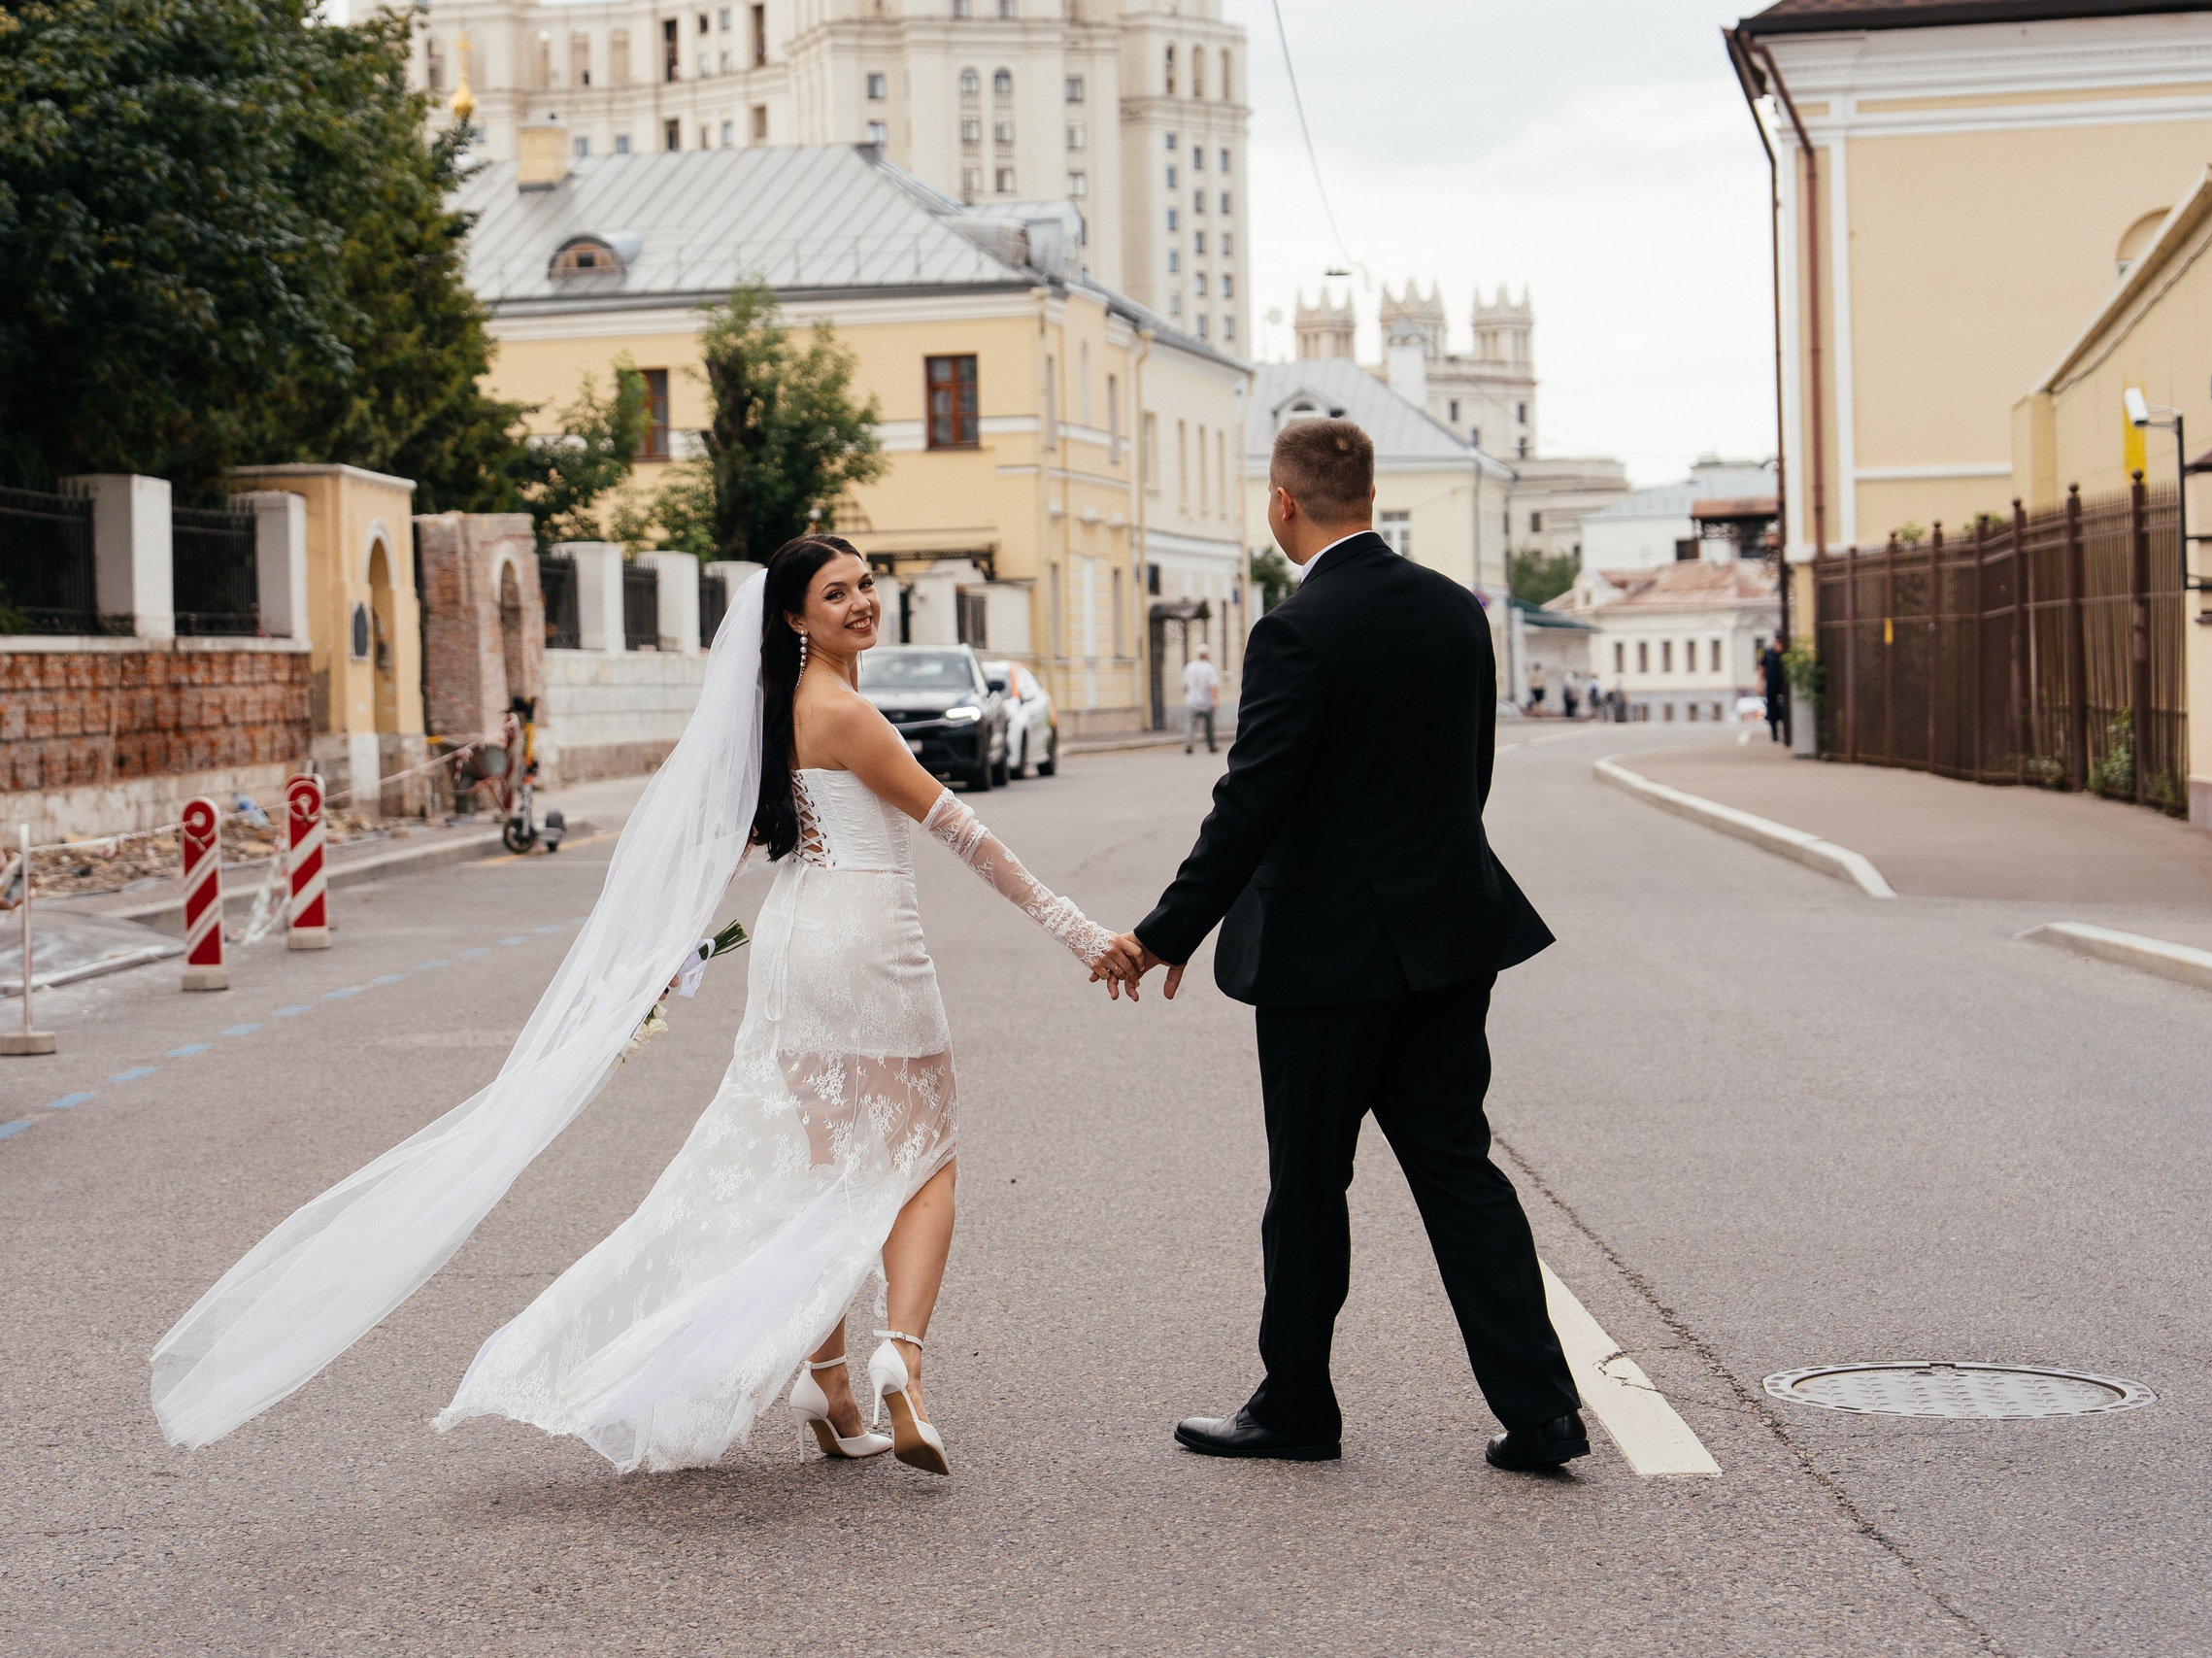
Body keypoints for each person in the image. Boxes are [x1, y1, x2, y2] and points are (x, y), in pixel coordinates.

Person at [150, 537, 1143, 1476]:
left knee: (831, 1175)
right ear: (797, 615)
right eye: (837, 592)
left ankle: (834, 1392)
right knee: (924, 1159)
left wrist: (660, 962)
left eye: (867, 582)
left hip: (795, 943)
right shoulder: (842, 712)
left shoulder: (777, 709)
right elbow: (965, 835)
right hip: (868, 942)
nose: (862, 601)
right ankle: (903, 1362)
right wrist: (1082, 934)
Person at [1105, 417, 1586, 1472]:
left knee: (1310, 1186)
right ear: (1368, 494)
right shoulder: (1456, 613)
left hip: (1326, 960)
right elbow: (1471, 776)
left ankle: (1298, 1407)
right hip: (1451, 936)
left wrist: (1163, 933)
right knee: (1461, 1169)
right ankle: (1541, 1408)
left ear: (1283, 503)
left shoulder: (1296, 628)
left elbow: (1252, 801)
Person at [1182, 646, 1222, 754]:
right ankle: (1211, 746)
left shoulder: (1190, 667)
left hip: (1192, 701)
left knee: (1191, 725)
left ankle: (1189, 744)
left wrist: (1189, 695)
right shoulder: (1209, 668)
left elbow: (1185, 686)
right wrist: (1215, 700)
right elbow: (1212, 686)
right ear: (1207, 655)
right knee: (1209, 726)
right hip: (1206, 702)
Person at [1761, 631, 1790, 746]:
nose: (1779, 643)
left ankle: (1786, 732)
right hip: (1771, 684)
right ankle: (1774, 733)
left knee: (1784, 709)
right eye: (1778, 641)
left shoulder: (1786, 653)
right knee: (1771, 708)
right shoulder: (1768, 652)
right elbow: (1762, 668)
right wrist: (1759, 684)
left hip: (1783, 684)